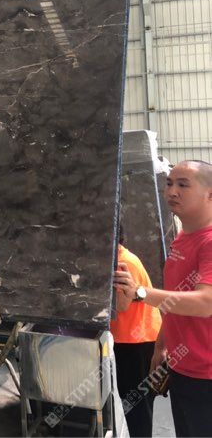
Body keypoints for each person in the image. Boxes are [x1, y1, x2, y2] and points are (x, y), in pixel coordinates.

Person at [114, 160, 212, 438]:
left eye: (183, 185)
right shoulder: (182, 239)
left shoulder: (209, 242)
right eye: (169, 183)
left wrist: (141, 293)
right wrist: (161, 345)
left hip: (206, 372)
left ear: (210, 194)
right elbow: (176, 299)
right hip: (183, 366)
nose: (172, 191)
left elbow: (206, 303)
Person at [111, 225, 162, 437]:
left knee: (136, 404)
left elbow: (121, 305)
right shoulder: (117, 258)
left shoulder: (123, 262)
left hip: (137, 341)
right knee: (131, 401)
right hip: (128, 338)